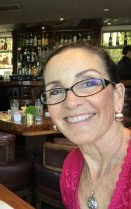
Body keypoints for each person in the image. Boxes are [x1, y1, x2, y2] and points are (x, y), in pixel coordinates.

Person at [40, 42, 131, 209]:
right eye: (55, 91)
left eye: (88, 83)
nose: (71, 103)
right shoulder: (71, 167)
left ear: (118, 96)